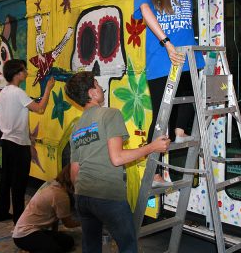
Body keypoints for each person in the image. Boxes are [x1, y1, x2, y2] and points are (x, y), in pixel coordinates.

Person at [64, 71, 170, 253]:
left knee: (91, 247)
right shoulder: (110, 114)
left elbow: (74, 171)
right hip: (108, 196)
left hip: (82, 197)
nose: (101, 88)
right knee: (128, 246)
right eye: (97, 84)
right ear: (92, 93)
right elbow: (117, 158)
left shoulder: (77, 126)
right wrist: (152, 147)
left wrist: (83, 193)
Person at [133, 0, 205, 144]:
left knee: (179, 105)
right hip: (166, 61)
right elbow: (146, 12)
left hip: (174, 59)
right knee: (161, 116)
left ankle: (179, 133)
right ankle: (156, 170)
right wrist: (167, 43)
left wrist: (166, 43)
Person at [0, 59, 55, 224]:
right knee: (19, 183)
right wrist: (48, 89)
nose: (27, 72)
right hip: (18, 145)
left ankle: (1, 213)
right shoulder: (18, 92)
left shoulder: (4, 91)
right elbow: (40, 109)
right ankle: (19, 220)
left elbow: (16, 115)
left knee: (6, 179)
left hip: (6, 141)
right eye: (24, 70)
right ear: (17, 74)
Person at [13, 165, 80, 253]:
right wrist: (84, 222)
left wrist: (54, 234)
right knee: (55, 250)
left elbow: (55, 214)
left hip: (35, 229)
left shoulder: (52, 183)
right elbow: (68, 224)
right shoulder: (61, 196)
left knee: (68, 242)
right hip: (24, 235)